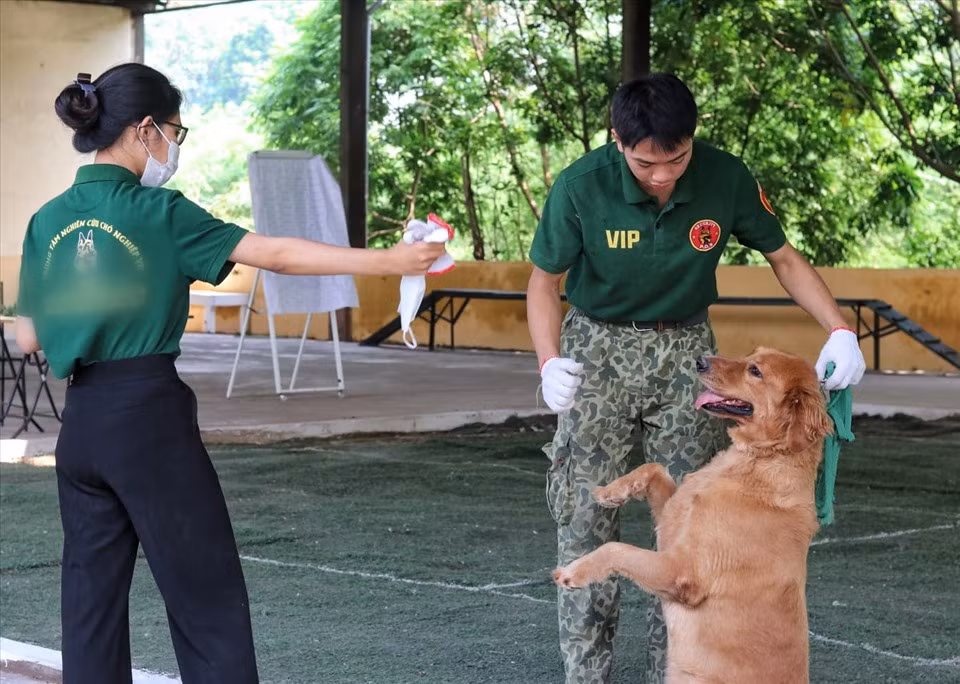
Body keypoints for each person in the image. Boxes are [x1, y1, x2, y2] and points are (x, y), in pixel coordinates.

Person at [14, 64, 446, 684]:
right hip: (148, 417)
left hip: (80, 424)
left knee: (89, 601)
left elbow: (28, 335)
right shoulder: (159, 211)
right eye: (174, 132)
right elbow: (274, 253)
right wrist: (392, 259)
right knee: (204, 594)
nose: (173, 146)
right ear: (143, 130)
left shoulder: (47, 219)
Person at [526, 73, 865, 684]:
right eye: (645, 162)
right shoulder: (580, 186)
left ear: (693, 140)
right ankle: (585, 677)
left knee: (692, 531)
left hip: (689, 355)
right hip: (597, 353)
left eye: (676, 159)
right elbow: (543, 283)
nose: (661, 175)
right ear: (618, 141)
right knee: (584, 522)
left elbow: (784, 257)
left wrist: (840, 328)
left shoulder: (726, 176)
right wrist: (549, 360)